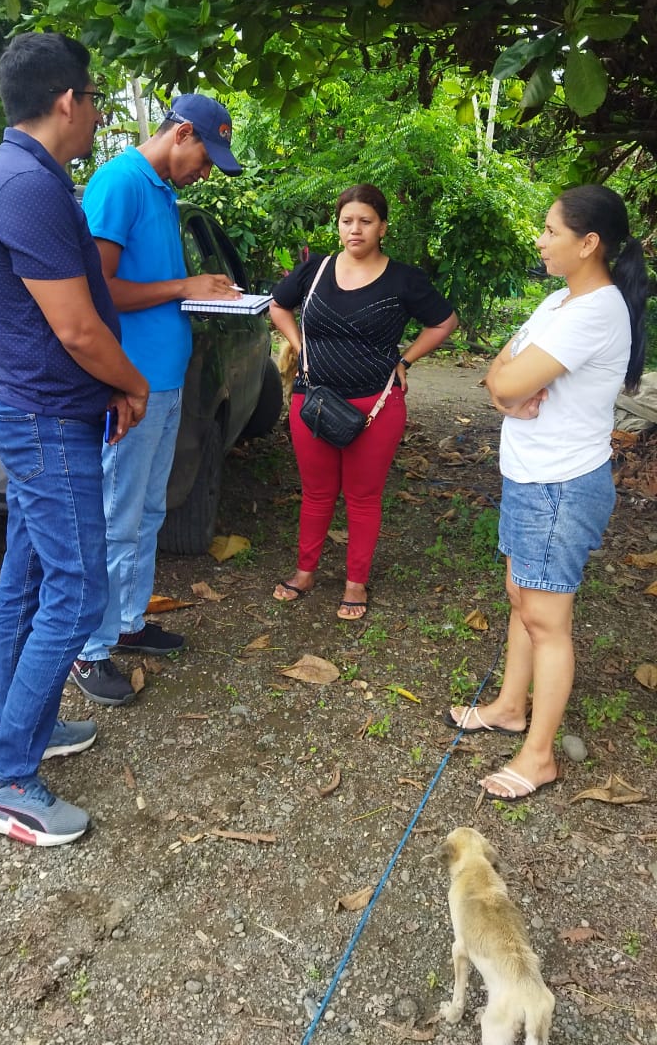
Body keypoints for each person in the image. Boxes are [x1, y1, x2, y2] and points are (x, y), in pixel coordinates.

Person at [0, 32, 150, 847]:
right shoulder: (27, 187)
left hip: (42, 411)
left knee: (28, 577)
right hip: (46, 421)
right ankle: (5, 779)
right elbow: (76, 328)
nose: (98, 114)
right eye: (95, 99)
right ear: (68, 100)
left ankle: (21, 722)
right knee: (76, 592)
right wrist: (132, 383)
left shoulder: (27, 175)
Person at [447, 185, 648, 801]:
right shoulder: (560, 299)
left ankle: (539, 758)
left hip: (560, 485)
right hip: (532, 476)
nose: (540, 240)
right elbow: (497, 374)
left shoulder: (595, 311)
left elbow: (510, 380)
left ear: (589, 244)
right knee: (521, 597)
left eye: (551, 231)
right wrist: (503, 386)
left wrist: (506, 385)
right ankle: (511, 707)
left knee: (547, 618)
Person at [69, 95, 242, 706]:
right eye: (205, 157)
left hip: (163, 382)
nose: (205, 171)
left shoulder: (162, 190)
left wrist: (200, 293)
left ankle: (128, 622)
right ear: (182, 132)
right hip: (129, 383)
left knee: (146, 512)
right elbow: (100, 290)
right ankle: (89, 648)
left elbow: (155, 285)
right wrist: (183, 286)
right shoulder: (120, 182)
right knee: (114, 516)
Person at [270, 183, 458, 619]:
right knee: (316, 493)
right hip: (312, 401)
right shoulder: (316, 269)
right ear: (338, 226)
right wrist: (299, 345)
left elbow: (444, 322)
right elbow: (278, 306)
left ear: (383, 227)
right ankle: (305, 572)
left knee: (363, 496)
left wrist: (405, 360)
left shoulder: (403, 279)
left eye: (366, 221)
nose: (355, 230)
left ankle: (356, 582)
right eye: (347, 221)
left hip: (375, 405)